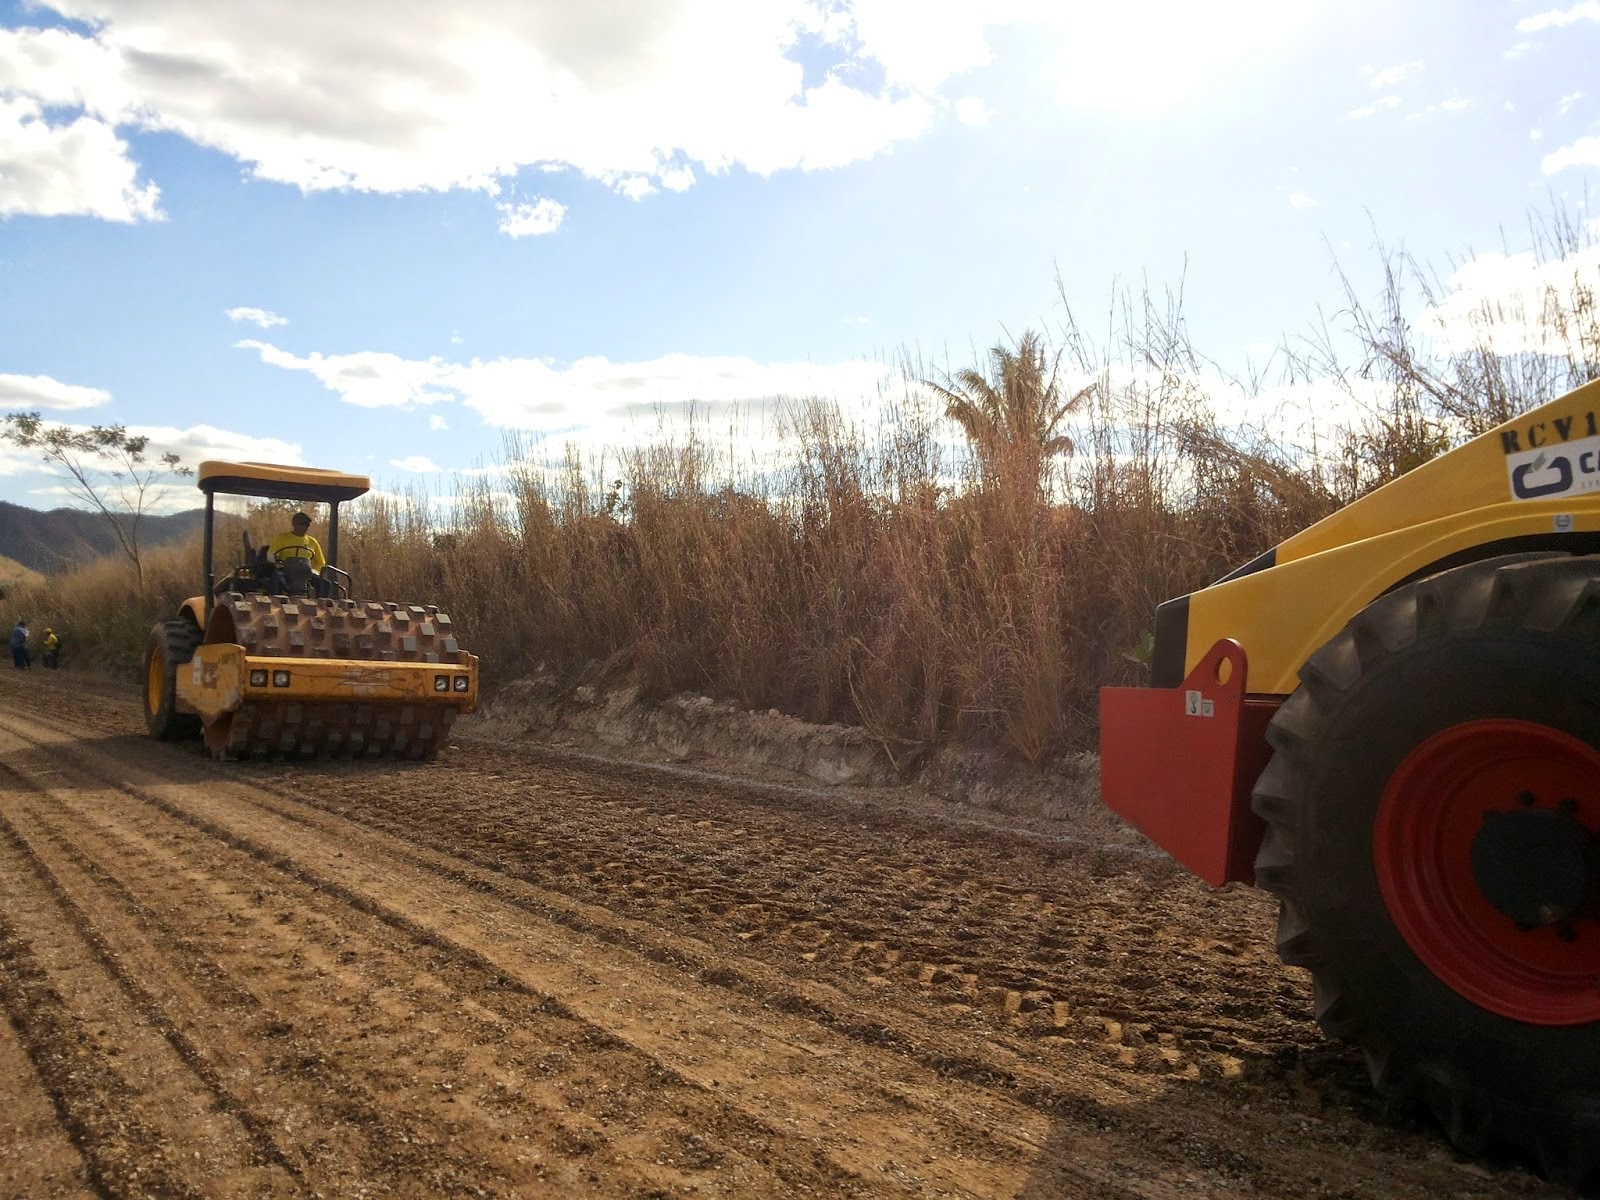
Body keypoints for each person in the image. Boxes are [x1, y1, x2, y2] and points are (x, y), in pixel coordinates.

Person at [265, 511, 328, 595]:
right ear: (294, 524)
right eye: (301, 524)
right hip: (286, 571)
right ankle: (275, 601)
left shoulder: (313, 542)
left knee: (325, 583)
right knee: (276, 579)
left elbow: (321, 562)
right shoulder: (282, 538)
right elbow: (271, 555)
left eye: (307, 524)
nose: (304, 527)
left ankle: (322, 604)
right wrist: (276, 563)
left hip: (306, 573)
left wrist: (316, 571)